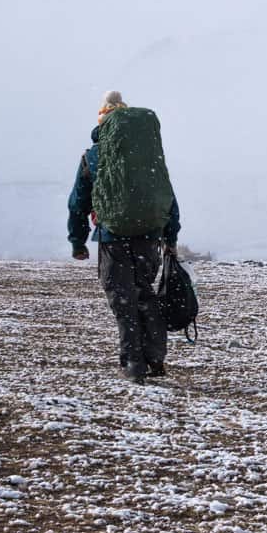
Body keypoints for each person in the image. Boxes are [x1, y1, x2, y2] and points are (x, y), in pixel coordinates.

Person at [67, 90, 181, 384]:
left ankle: (133, 363)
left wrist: (78, 242)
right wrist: (171, 238)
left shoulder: (93, 156)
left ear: (102, 122)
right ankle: (155, 359)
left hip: (112, 236)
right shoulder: (148, 158)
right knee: (145, 294)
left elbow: (78, 204)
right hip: (149, 237)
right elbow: (168, 198)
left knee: (122, 299)